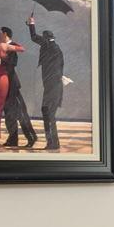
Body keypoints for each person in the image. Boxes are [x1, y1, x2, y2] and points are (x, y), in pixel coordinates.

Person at [25, 13, 65, 151]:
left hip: (52, 87)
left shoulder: (49, 45)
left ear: (47, 38)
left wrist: (31, 24)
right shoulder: (58, 50)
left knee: (47, 113)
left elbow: (34, 37)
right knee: (49, 114)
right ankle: (54, 143)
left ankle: (52, 143)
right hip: (54, 87)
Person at [0, 27, 37, 151]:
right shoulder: (3, 46)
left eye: (0, 33)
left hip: (12, 85)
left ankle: (31, 137)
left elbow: (12, 64)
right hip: (5, 85)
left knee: (21, 113)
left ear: (5, 34)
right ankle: (13, 138)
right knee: (9, 114)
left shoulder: (13, 46)